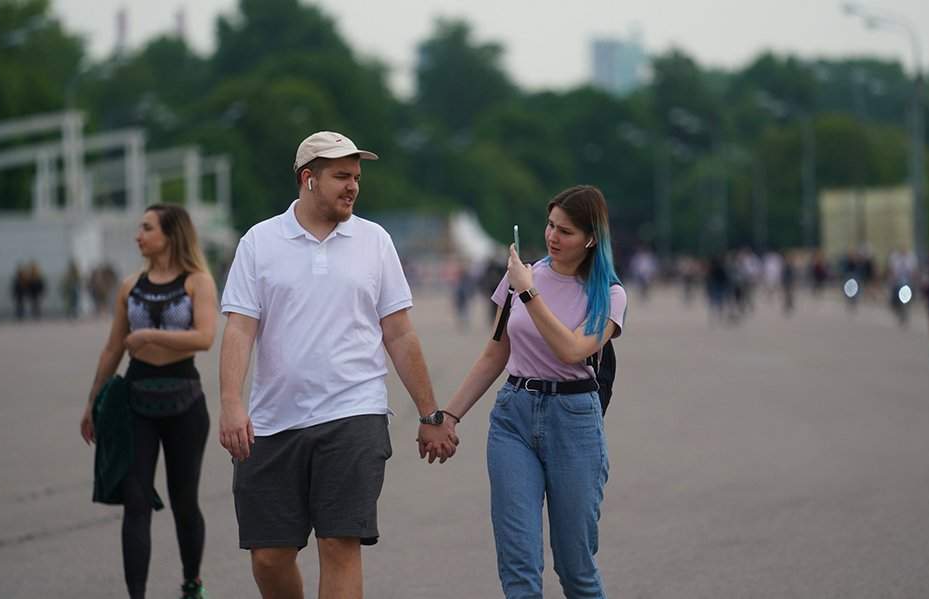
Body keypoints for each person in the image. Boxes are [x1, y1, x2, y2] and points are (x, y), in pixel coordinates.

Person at [217, 130, 456, 599]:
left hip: (354, 414)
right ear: (308, 179)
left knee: (339, 544)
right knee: (269, 557)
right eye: (341, 176)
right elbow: (240, 329)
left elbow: (400, 332)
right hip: (273, 421)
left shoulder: (375, 241)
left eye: (357, 177)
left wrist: (431, 415)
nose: (353, 186)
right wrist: (230, 402)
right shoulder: (259, 242)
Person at [440, 185, 627, 598]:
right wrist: (448, 415)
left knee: (575, 566)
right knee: (519, 565)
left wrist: (528, 290)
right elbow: (494, 353)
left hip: (574, 421)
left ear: (591, 238)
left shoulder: (609, 295)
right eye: (550, 225)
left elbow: (572, 350)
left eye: (566, 231)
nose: (552, 237)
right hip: (514, 417)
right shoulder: (521, 276)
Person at [80, 204, 218, 599]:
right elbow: (112, 349)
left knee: (184, 500)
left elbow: (204, 337)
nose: (138, 235)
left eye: (147, 228)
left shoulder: (197, 282)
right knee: (135, 501)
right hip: (135, 402)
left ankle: (192, 583)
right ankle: (136, 594)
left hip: (185, 402)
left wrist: (151, 337)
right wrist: (92, 402)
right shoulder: (131, 286)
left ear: (171, 235)